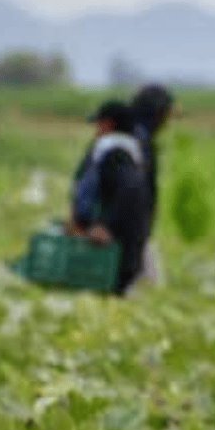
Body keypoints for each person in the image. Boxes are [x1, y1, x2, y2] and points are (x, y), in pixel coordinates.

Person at [69, 100, 151, 296]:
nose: (96, 130)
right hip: (122, 245)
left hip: (118, 248)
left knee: (114, 295)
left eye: (99, 124)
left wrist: (105, 225)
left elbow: (129, 188)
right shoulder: (128, 153)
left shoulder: (115, 155)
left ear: (109, 124)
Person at [128, 84, 175, 285]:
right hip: (128, 232)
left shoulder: (137, 137)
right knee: (147, 285)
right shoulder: (136, 143)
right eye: (167, 114)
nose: (168, 122)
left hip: (134, 231)